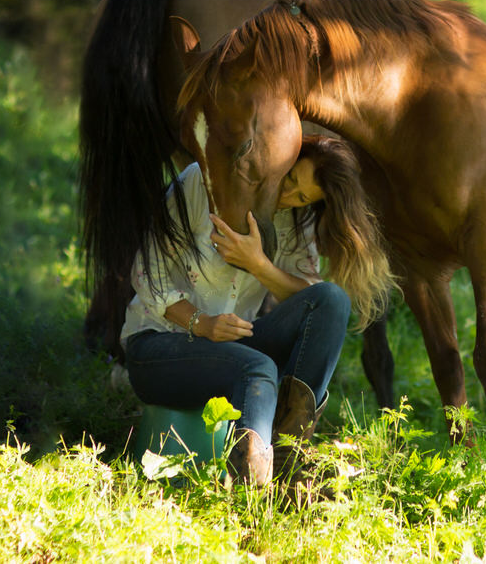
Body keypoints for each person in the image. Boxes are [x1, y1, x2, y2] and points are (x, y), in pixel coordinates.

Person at [120, 136, 395, 486]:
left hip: (233, 350)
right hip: (158, 348)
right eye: (291, 181)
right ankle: (251, 494)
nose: (287, 198)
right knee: (258, 368)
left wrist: (259, 264)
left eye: (302, 198)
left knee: (332, 300)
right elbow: (147, 272)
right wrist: (201, 323)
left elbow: (309, 295)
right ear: (282, 160)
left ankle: (289, 464)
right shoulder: (203, 183)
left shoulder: (294, 219)